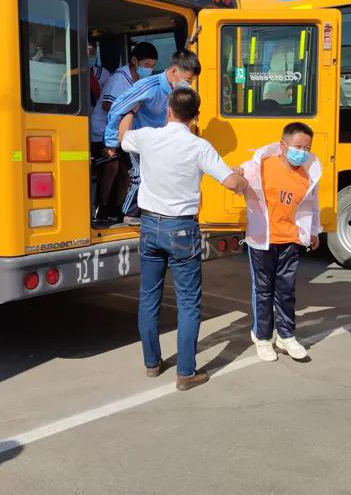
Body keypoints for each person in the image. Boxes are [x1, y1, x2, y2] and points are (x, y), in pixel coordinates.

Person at [122, 87, 248, 390]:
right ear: (196, 117)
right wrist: (241, 175)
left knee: (149, 296)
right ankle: (186, 372)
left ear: (168, 111)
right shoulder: (199, 146)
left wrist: (130, 110)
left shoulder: (148, 137)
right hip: (181, 229)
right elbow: (233, 183)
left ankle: (152, 363)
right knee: (188, 302)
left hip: (149, 226)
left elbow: (123, 135)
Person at [239, 122, 322, 362]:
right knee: (263, 291)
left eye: (307, 147)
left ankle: (286, 336)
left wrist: (314, 231)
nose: (303, 151)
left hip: (291, 240)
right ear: (283, 145)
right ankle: (262, 337)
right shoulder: (262, 165)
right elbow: (237, 177)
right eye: (298, 146)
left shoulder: (308, 173)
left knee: (286, 291)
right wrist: (237, 173)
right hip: (262, 240)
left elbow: (312, 205)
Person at [105, 49, 200, 225]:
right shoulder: (149, 86)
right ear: (173, 71)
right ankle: (128, 214)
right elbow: (117, 108)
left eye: (192, 81)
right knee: (139, 175)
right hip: (135, 139)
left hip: (156, 141)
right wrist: (111, 143)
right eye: (187, 81)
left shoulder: (176, 93)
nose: (189, 85)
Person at [90, 42, 159, 221]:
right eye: (146, 65)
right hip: (102, 131)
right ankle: (102, 207)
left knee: (127, 169)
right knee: (112, 165)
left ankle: (119, 207)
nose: (149, 69)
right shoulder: (121, 77)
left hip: (123, 133)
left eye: (152, 66)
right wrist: (131, 108)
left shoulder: (141, 80)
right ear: (134, 61)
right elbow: (107, 104)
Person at [88, 44, 111, 108]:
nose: (89, 56)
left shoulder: (103, 73)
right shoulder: (72, 73)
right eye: (87, 54)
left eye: (92, 54)